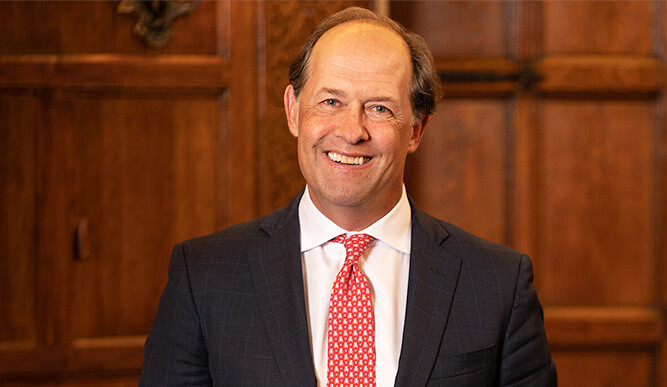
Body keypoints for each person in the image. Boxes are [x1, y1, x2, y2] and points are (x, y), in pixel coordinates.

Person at [139, 7, 556, 386]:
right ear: (293, 110)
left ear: (416, 129)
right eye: (331, 101)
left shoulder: (499, 284)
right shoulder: (205, 277)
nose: (351, 130)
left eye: (379, 108)